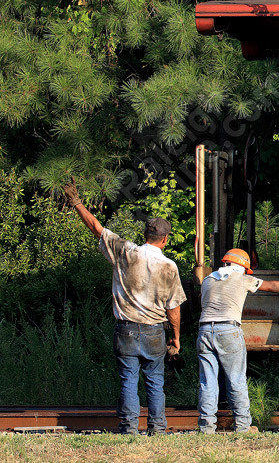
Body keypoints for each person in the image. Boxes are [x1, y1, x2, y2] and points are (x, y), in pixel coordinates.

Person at [63, 180, 187, 435]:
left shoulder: (125, 252)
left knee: (128, 380)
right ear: (165, 239)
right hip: (155, 331)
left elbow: (96, 228)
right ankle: (157, 428)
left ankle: (129, 428)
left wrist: (77, 203)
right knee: (155, 382)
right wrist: (174, 337)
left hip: (126, 329)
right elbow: (173, 308)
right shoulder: (170, 266)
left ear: (145, 236)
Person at [197, 248, 279, 434]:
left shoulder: (208, 280)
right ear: (242, 266)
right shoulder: (242, 279)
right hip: (228, 330)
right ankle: (242, 425)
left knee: (208, 381)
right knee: (236, 379)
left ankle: (206, 427)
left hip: (205, 331)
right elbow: (271, 286)